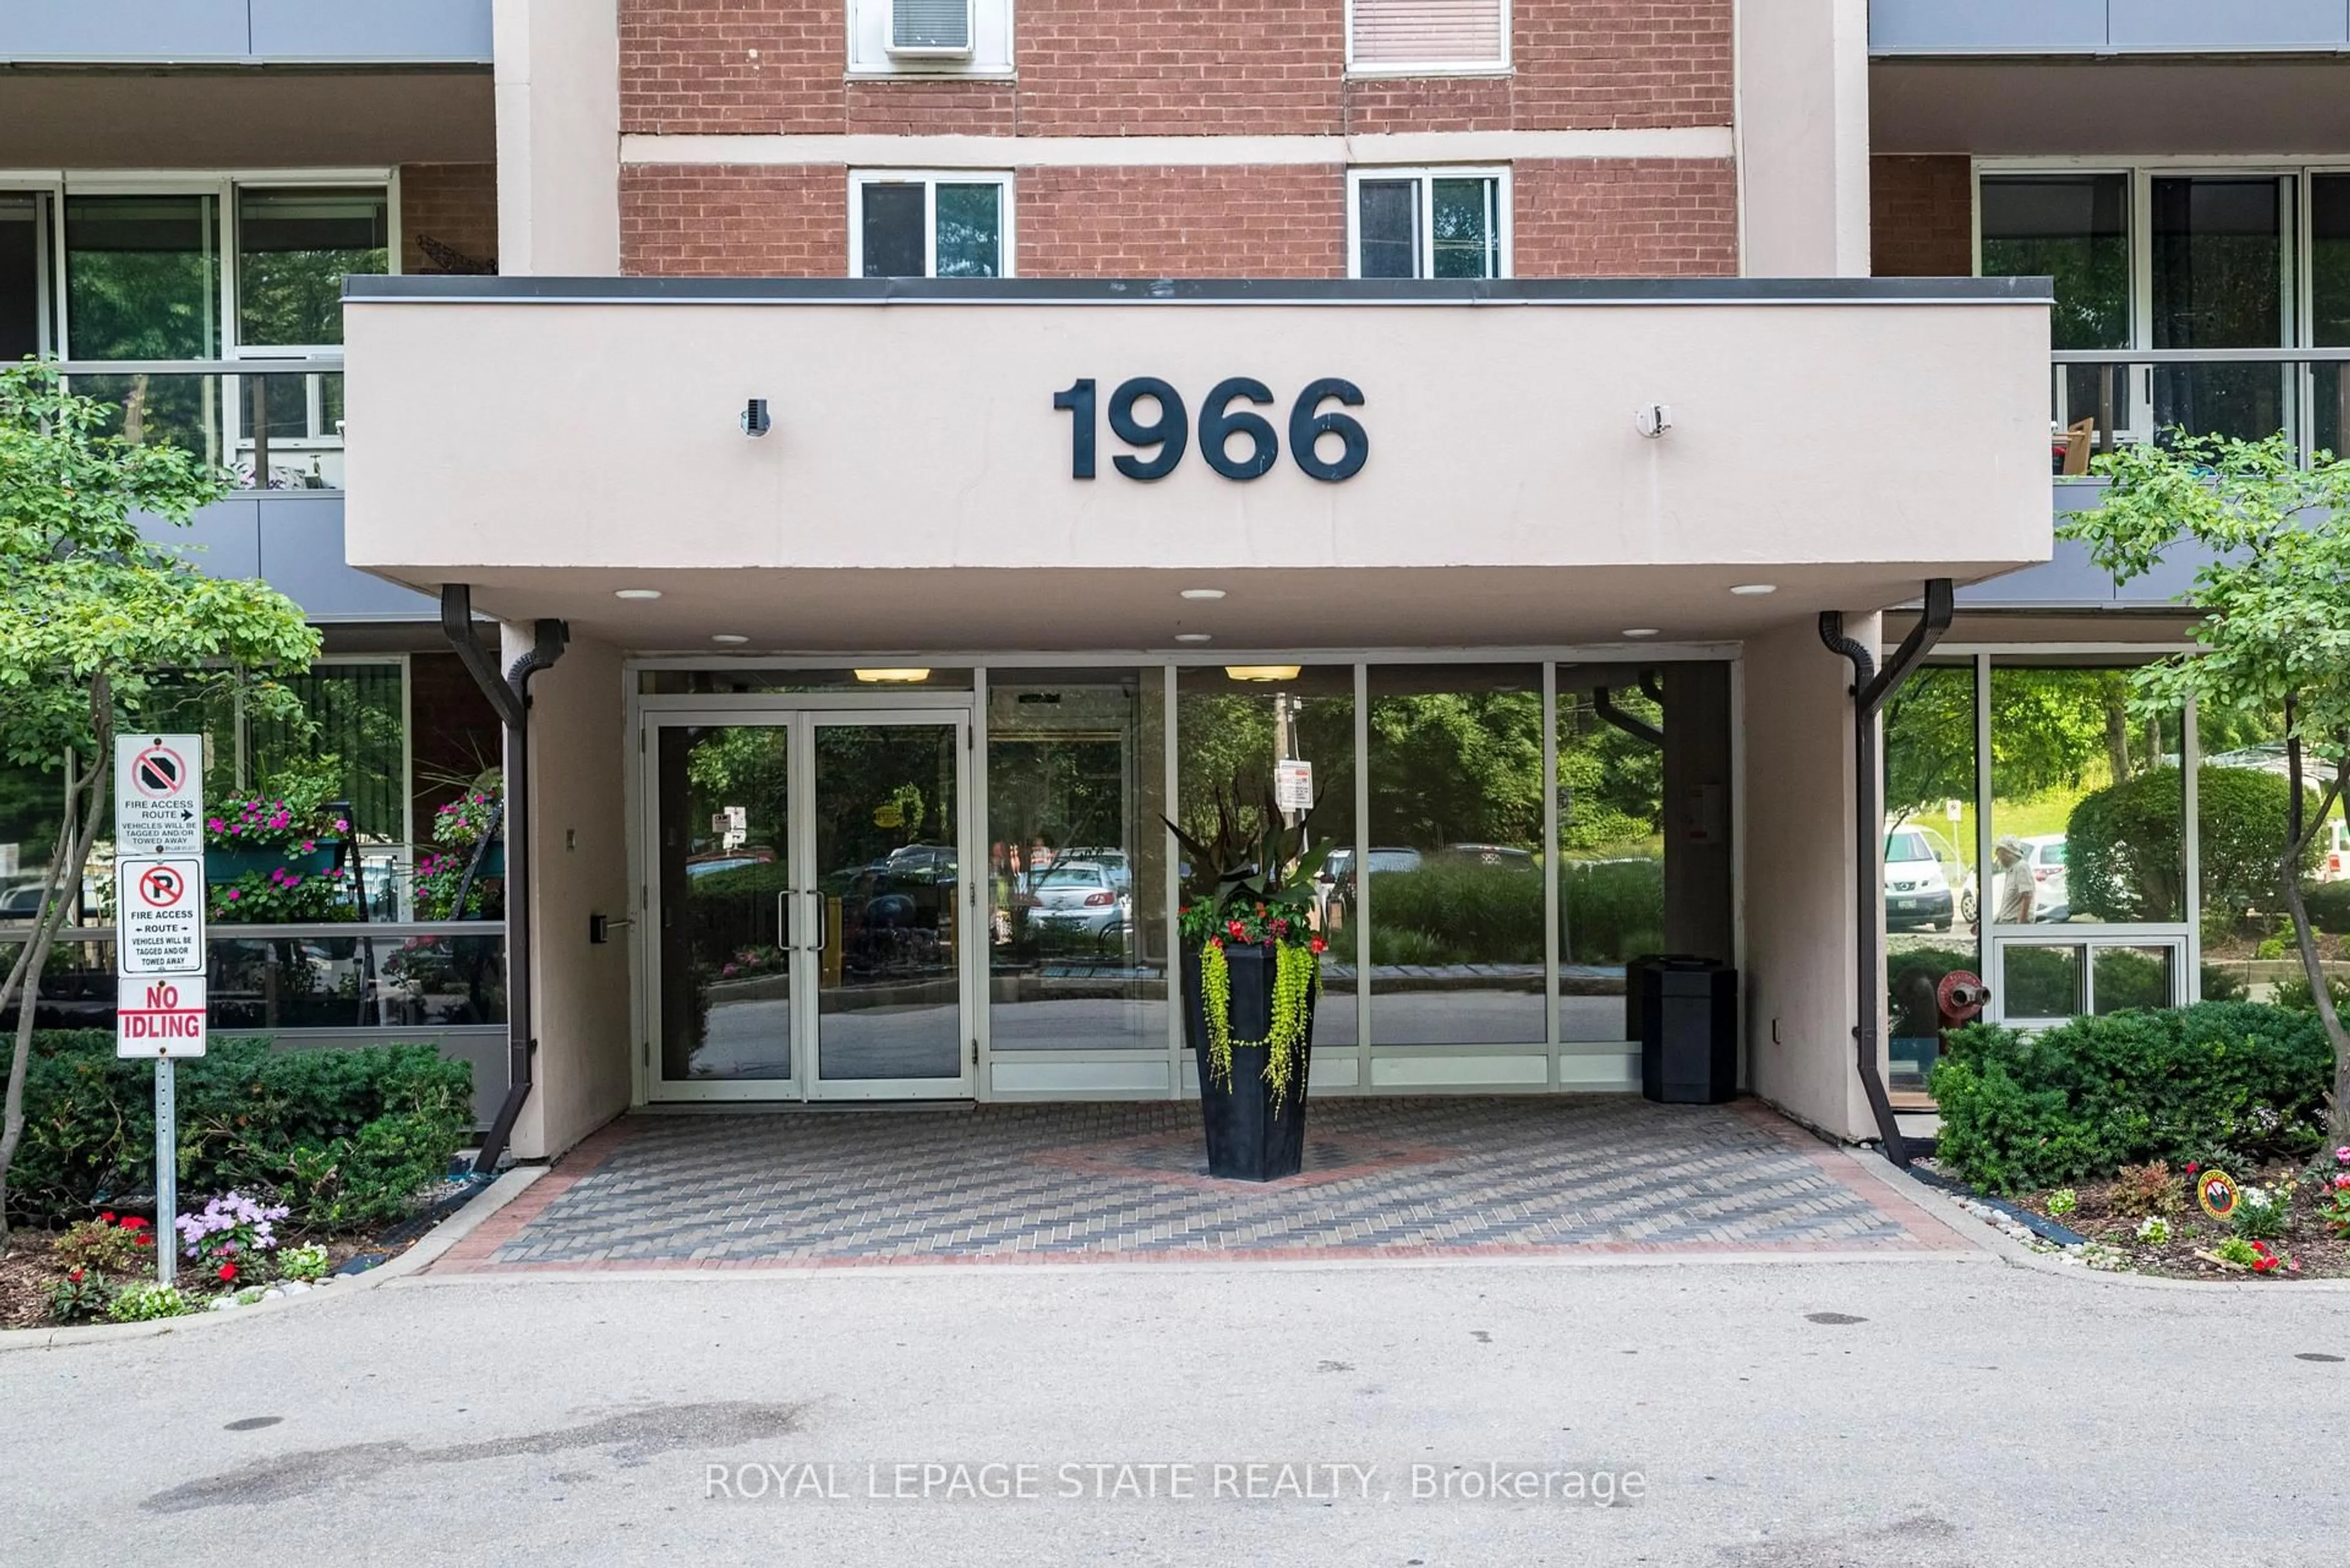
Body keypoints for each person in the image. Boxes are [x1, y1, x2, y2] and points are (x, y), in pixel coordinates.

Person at [1992, 835, 2036, 925]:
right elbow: (2007, 906)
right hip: (2007, 923)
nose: (1998, 859)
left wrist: (2020, 924)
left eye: (2000, 855)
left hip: (2014, 924)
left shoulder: (2021, 867)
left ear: (2007, 853)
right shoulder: (2010, 871)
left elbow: (2027, 896)